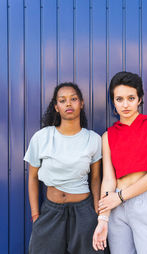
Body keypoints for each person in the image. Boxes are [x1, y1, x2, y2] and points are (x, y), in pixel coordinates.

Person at [93, 72, 147, 253]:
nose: (125, 104)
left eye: (131, 98)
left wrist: (120, 197)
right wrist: (103, 219)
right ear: (113, 101)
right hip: (116, 206)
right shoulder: (108, 136)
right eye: (119, 99)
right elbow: (109, 180)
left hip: (146, 202)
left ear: (140, 99)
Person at [24, 82, 104, 254]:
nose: (68, 104)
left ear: (81, 103)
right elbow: (32, 177)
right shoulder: (42, 137)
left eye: (73, 99)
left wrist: (97, 212)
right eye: (62, 100)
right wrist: (36, 215)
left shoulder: (93, 139)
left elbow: (96, 178)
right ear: (56, 107)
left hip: (84, 212)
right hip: (51, 211)